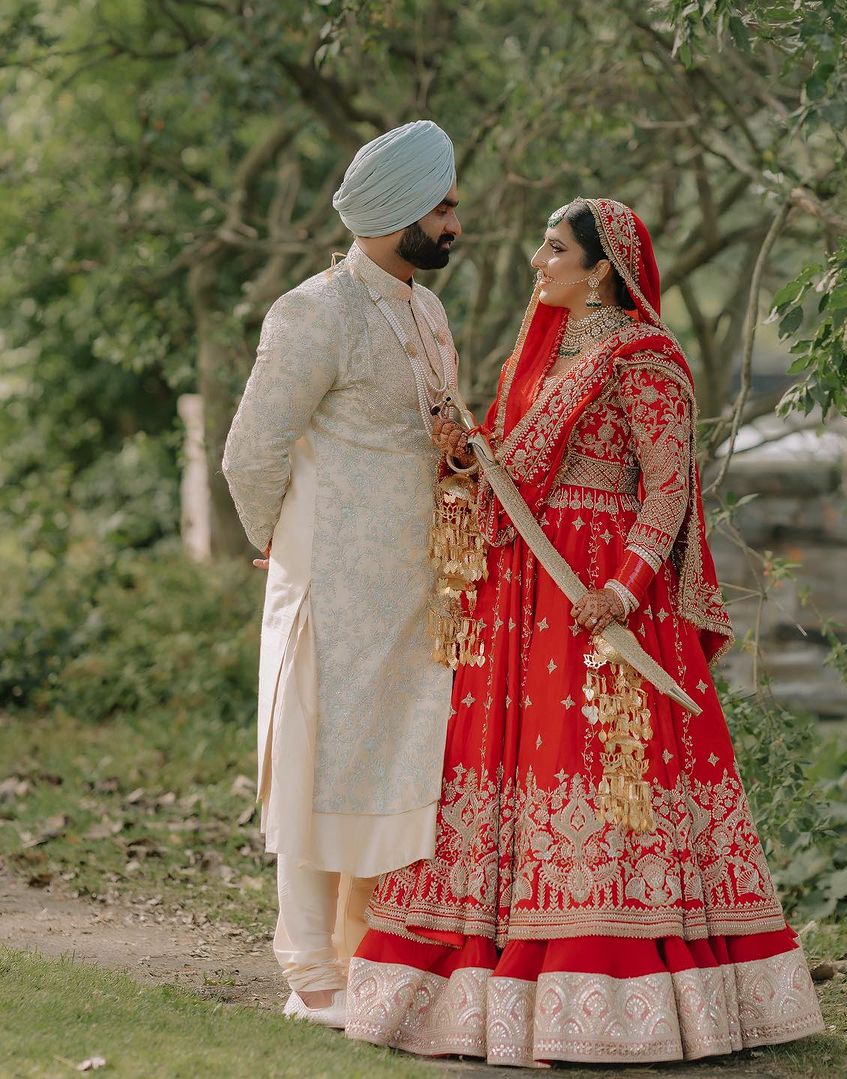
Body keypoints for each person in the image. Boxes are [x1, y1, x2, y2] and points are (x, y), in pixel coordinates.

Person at [343, 197, 824, 1064]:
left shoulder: (647, 358)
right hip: (522, 599)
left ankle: (609, 988)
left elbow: (668, 490)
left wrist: (626, 589)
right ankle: (473, 996)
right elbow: (513, 475)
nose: (538, 259)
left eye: (554, 247)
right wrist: (465, 451)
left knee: (598, 775)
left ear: (602, 267)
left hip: (599, 602)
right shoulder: (543, 354)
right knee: (500, 774)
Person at [222, 120, 462, 1029]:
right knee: (317, 763)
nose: (453, 223)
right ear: (396, 212)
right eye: (440, 207)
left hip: (414, 590)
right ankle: (309, 972)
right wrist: (277, 541)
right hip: (331, 582)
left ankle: (370, 953)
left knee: (393, 761)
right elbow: (251, 452)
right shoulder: (311, 310)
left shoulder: (426, 311)